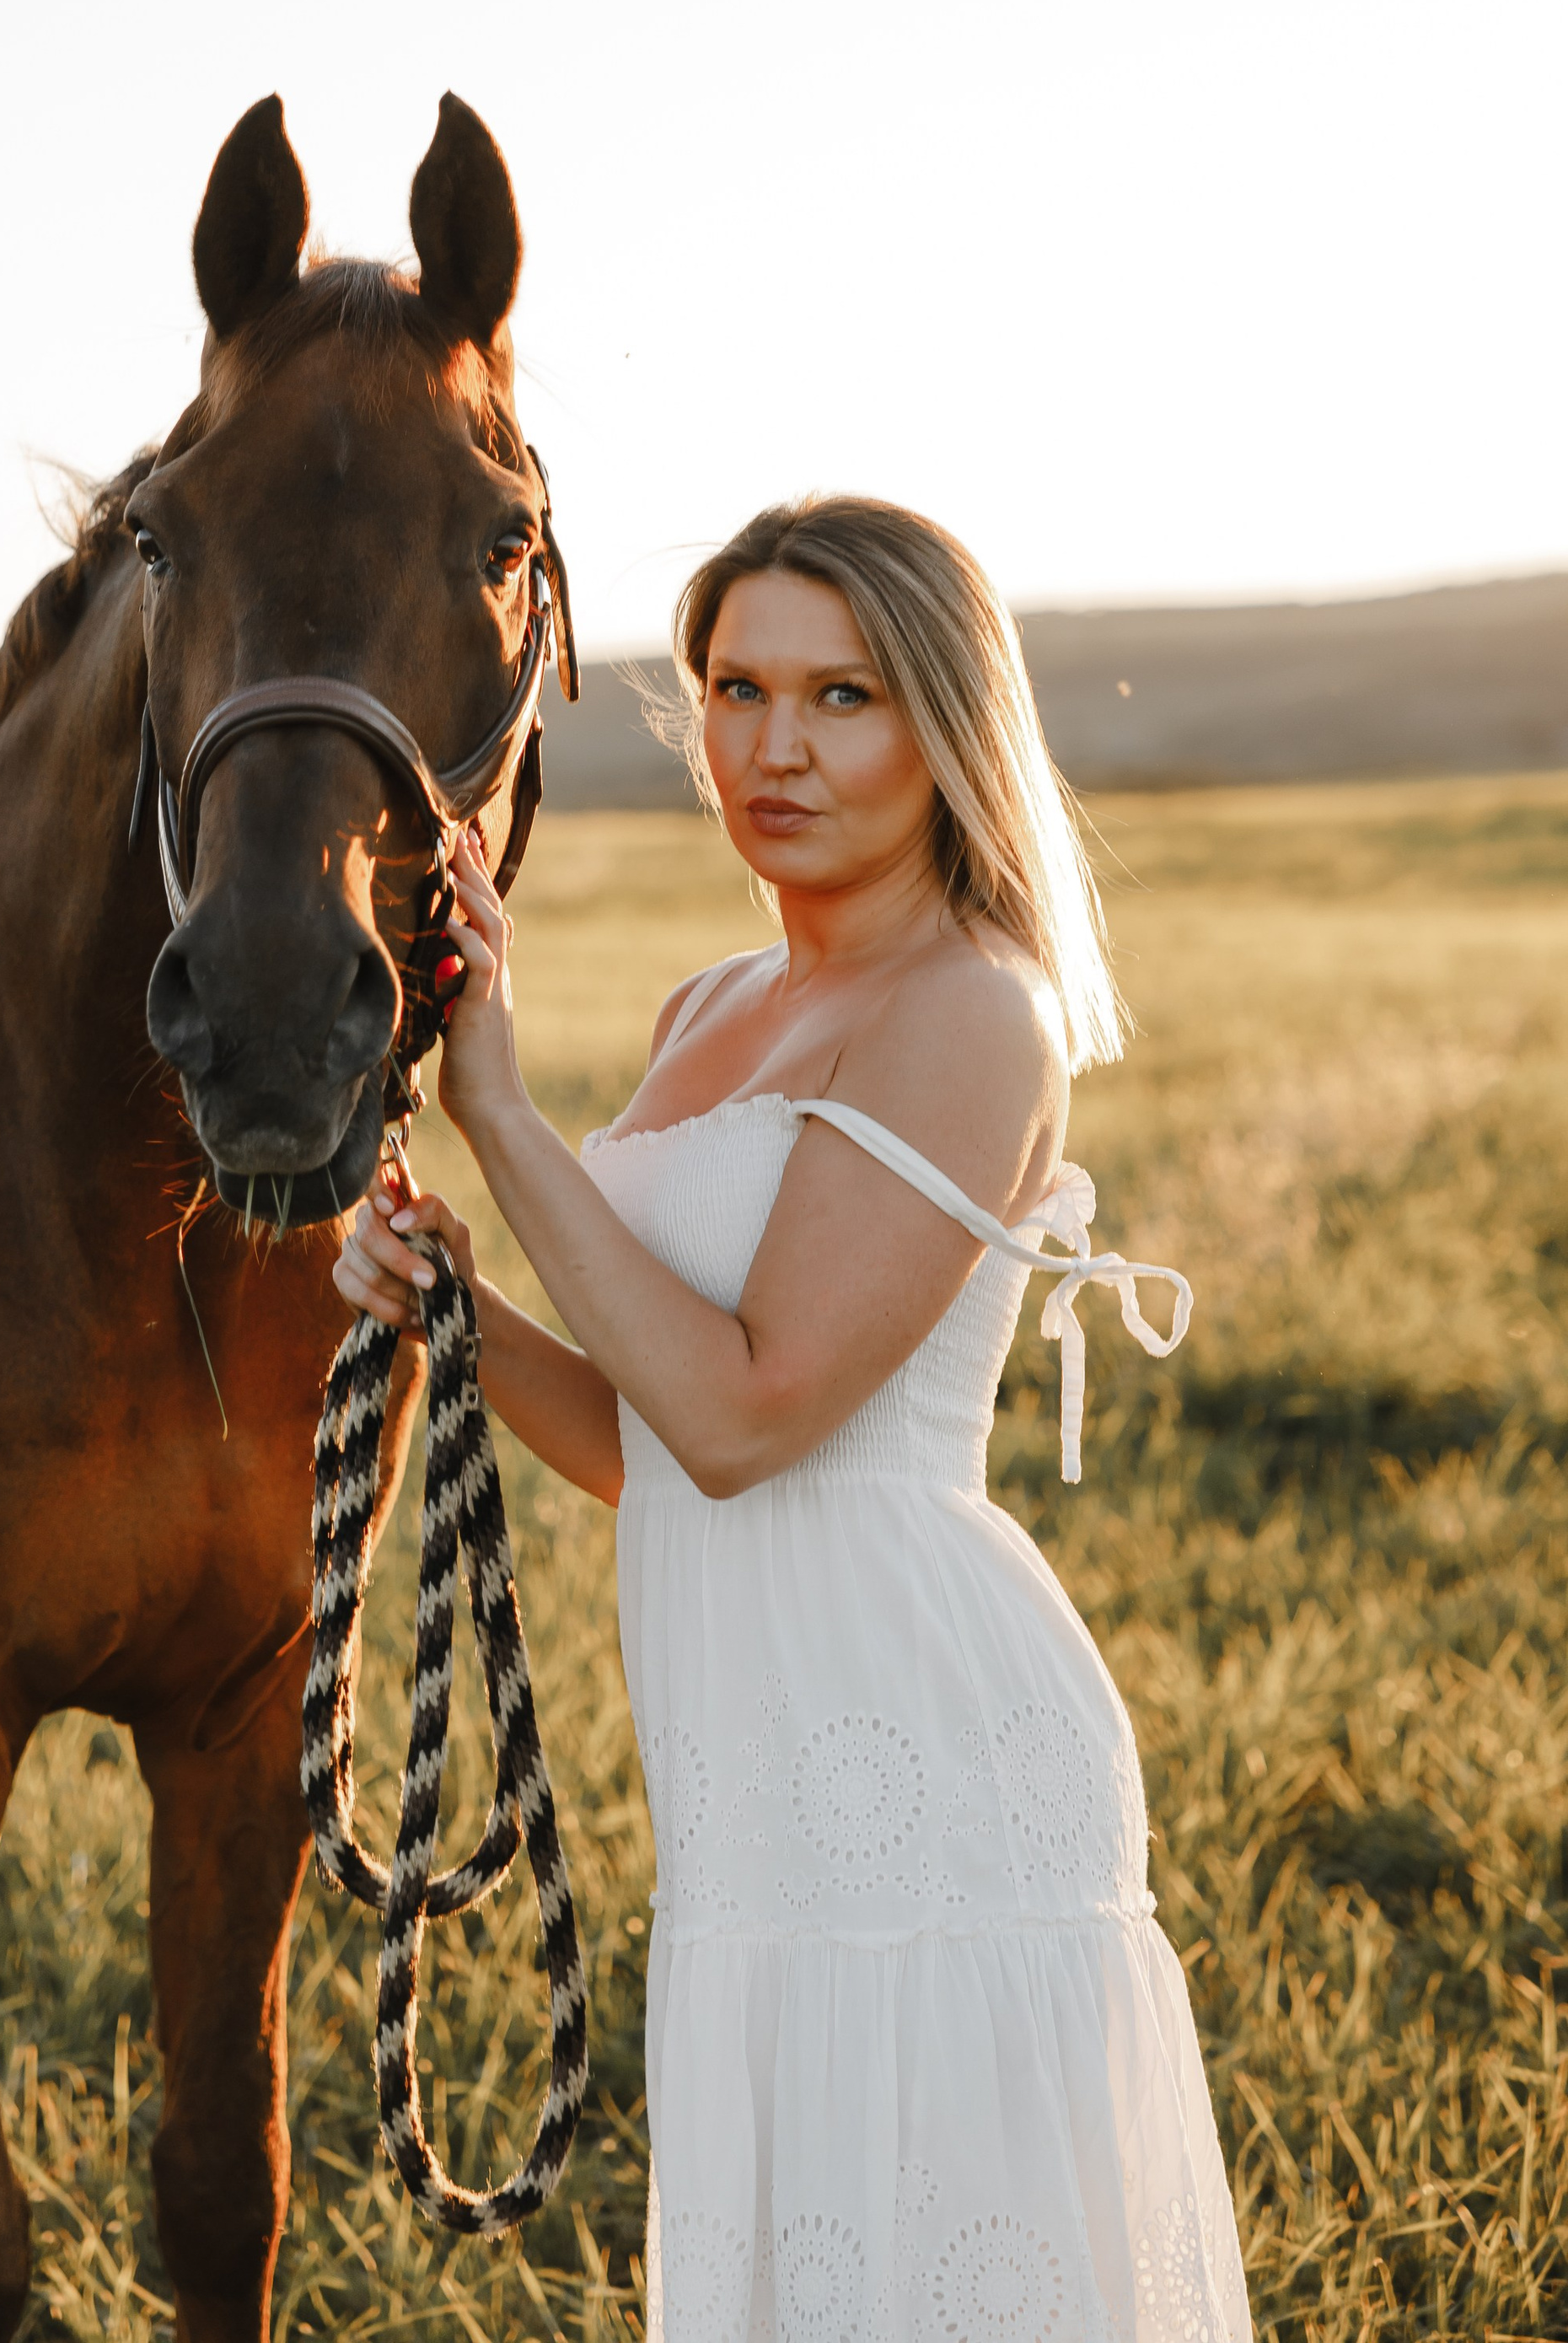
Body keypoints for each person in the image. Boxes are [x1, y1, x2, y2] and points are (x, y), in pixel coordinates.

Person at [336, 493, 1250, 2343]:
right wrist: (457, 1304)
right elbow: (643, 1445)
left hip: (917, 1760)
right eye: (737, 687)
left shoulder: (968, 1008)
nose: (774, 747)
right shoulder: (712, 1004)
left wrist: (499, 1114)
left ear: (941, 725)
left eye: (841, 697)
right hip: (747, 1790)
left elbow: (751, 1418)